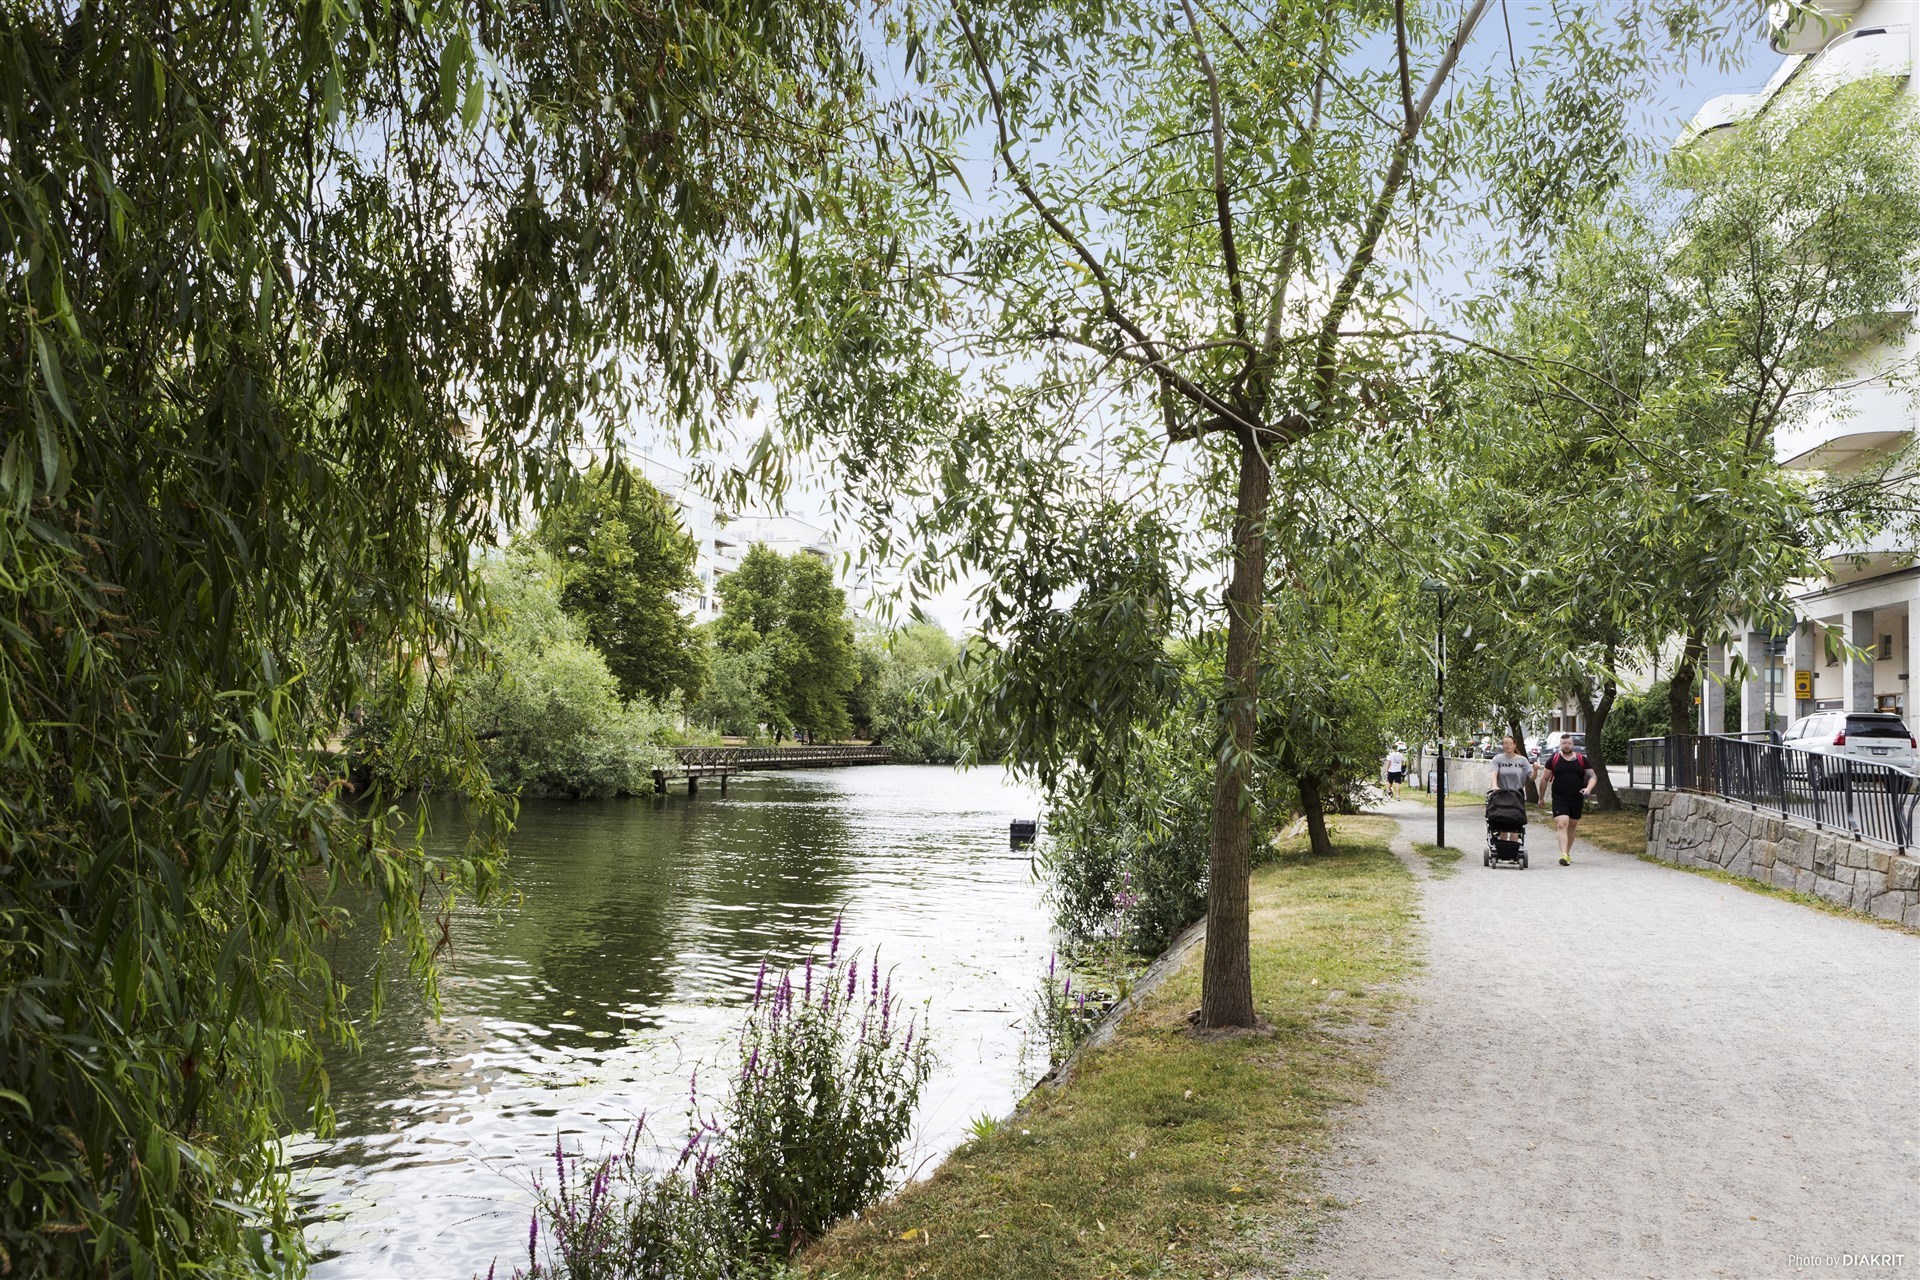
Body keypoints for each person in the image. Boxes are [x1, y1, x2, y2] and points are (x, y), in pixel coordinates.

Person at [1535, 733, 1597, 866]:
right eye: (1564, 743)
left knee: (1572, 825)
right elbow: (1544, 779)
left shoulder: (1581, 759)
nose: (1566, 746)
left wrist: (1588, 789)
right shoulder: (1554, 759)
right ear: (1560, 744)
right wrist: (1541, 798)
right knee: (1562, 823)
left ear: (1573, 744)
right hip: (1559, 797)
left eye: (1568, 743)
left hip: (1576, 798)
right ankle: (1563, 854)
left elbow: (1593, 777)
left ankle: (1567, 853)